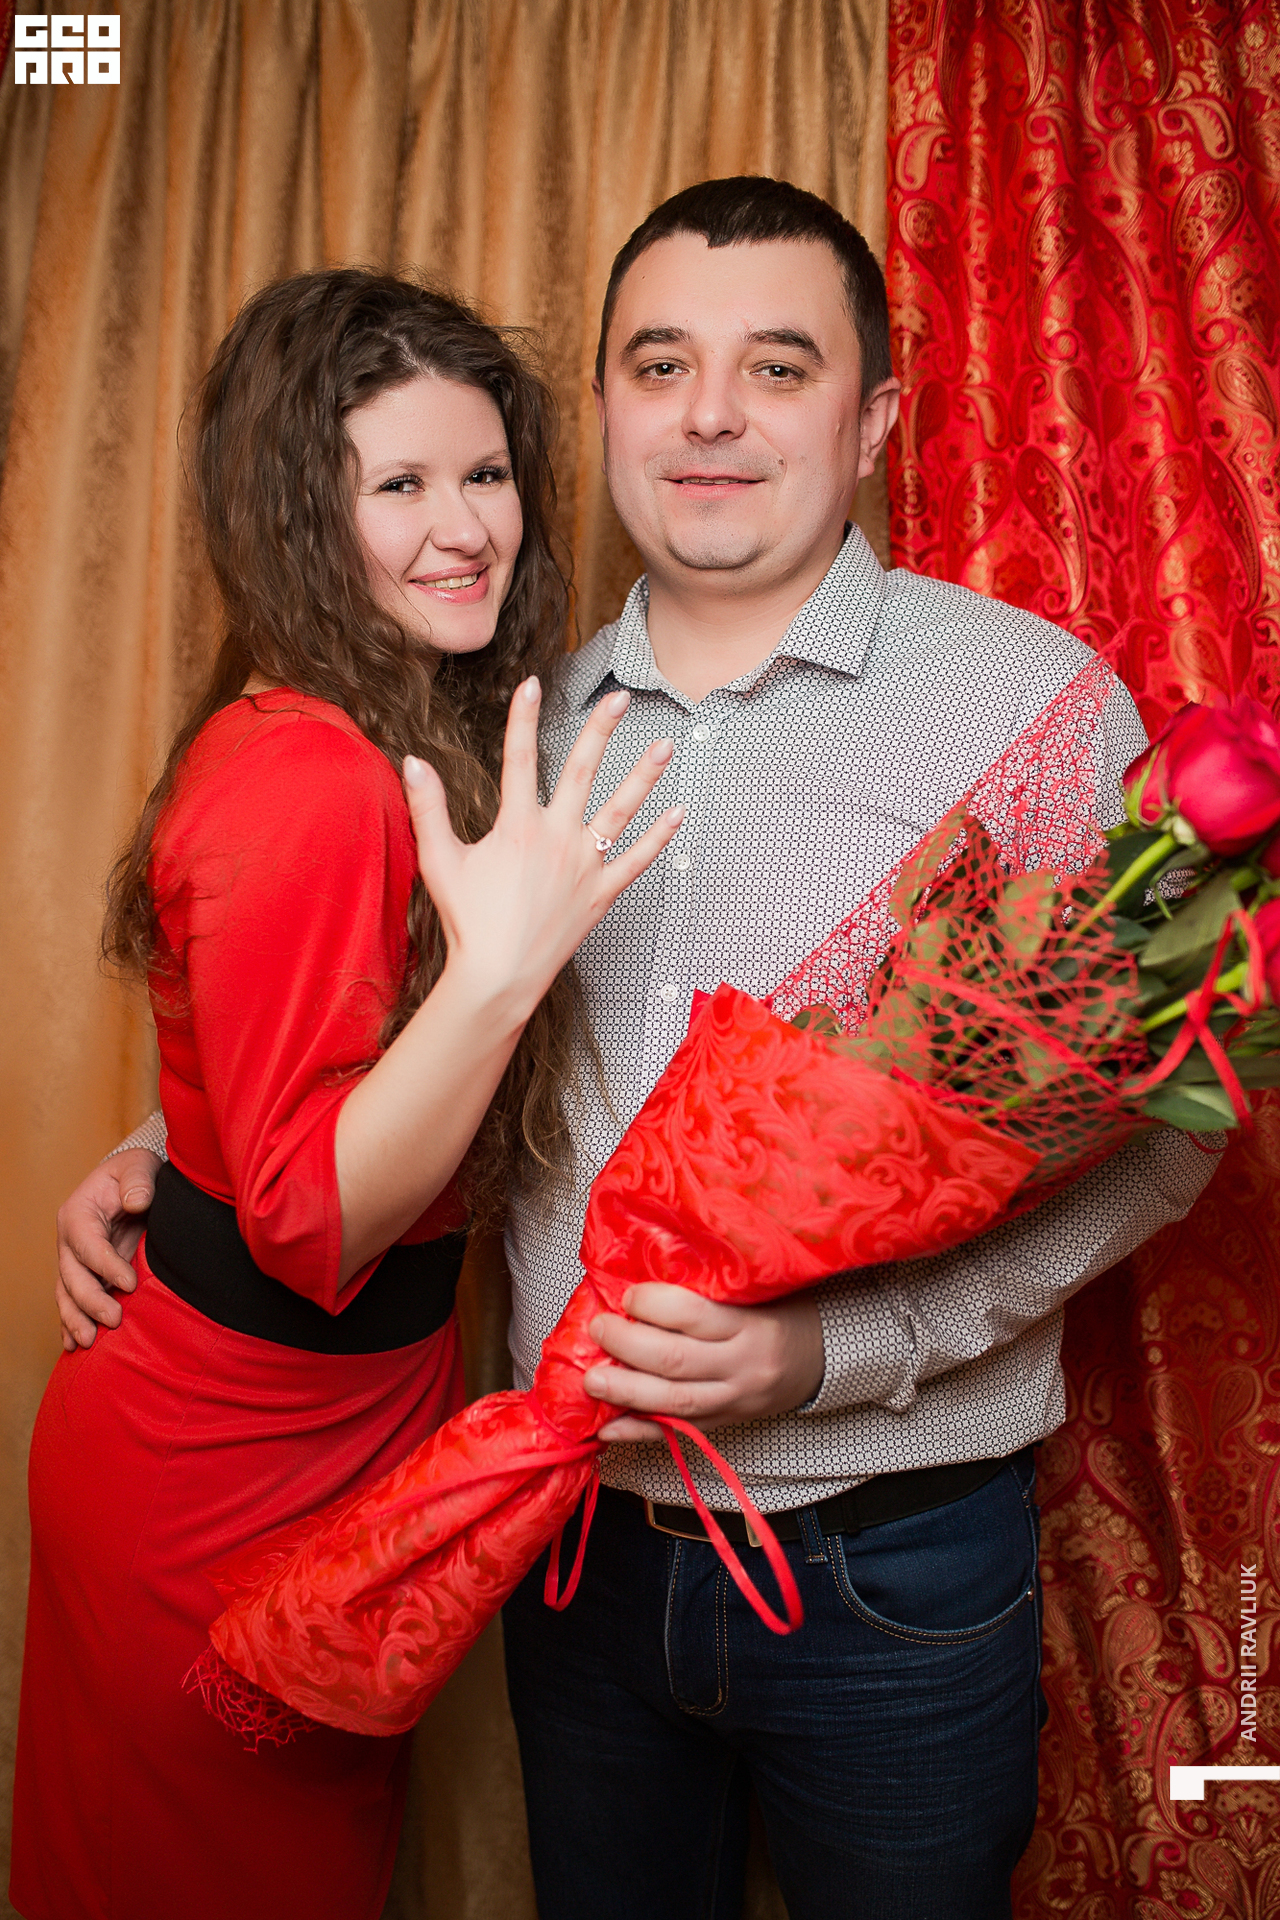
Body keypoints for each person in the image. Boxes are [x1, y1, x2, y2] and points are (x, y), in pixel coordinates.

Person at [55, 185, 1220, 1920]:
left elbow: (1167, 1126)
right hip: (573, 1551)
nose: (710, 416)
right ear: (603, 407)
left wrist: (836, 1351)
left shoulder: (1026, 708)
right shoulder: (509, 716)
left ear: (874, 420)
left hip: (887, 1557)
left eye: (778, 367)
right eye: (661, 365)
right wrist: (173, 1149)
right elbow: (374, 1023)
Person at [12, 268, 683, 1920]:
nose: (466, 529)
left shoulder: (392, 728)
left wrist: (164, 1142)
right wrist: (499, 972)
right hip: (222, 1480)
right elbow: (312, 1226)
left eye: (487, 473)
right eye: (400, 485)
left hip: (335, 1441)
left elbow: (272, 1072)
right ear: (300, 513)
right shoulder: (316, 773)